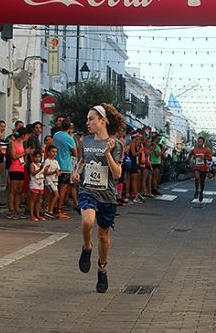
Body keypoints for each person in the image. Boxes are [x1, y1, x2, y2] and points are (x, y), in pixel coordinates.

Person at [74, 103, 125, 293]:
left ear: (103, 120)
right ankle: (87, 248)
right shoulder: (85, 141)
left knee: (103, 236)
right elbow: (82, 161)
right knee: (87, 222)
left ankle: (102, 268)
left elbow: (118, 173)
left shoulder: (115, 144)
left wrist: (108, 155)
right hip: (88, 190)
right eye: (87, 119)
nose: (87, 122)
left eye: (91, 119)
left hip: (107, 195)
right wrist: (76, 173)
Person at [7, 126, 33, 220]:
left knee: (19, 190)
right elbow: (13, 156)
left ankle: (17, 208)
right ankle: (11, 209)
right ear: (22, 135)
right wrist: (25, 153)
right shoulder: (13, 143)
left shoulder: (22, 143)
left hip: (21, 168)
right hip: (14, 168)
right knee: (13, 190)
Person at [53, 118, 76, 218]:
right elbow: (75, 152)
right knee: (63, 190)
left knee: (55, 188)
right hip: (66, 166)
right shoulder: (69, 138)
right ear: (69, 127)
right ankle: (59, 209)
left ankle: (52, 207)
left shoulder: (56, 135)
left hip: (56, 165)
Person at [188, 137, 212, 202]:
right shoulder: (194, 150)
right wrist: (190, 162)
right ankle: (196, 190)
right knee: (197, 177)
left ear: (203, 143)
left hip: (204, 168)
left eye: (201, 142)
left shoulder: (206, 150)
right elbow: (190, 155)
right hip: (196, 167)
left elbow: (210, 159)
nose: (200, 143)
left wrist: (205, 157)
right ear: (197, 142)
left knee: (202, 183)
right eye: (199, 142)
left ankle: (201, 193)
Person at [43, 145, 60, 219]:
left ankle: (49, 209)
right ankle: (50, 210)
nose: (54, 153)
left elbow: (59, 172)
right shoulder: (47, 161)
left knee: (53, 195)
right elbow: (45, 173)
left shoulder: (56, 162)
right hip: (49, 180)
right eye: (53, 152)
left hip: (55, 180)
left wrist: (57, 172)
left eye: (55, 152)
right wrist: (54, 172)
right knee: (56, 195)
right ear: (48, 152)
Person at [28, 149, 45, 221]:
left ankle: (37, 215)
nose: (37, 158)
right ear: (33, 157)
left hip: (41, 184)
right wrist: (39, 169)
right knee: (33, 200)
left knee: (38, 201)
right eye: (36, 157)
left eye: (39, 157)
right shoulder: (32, 165)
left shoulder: (41, 165)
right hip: (34, 184)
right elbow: (32, 173)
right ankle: (31, 215)